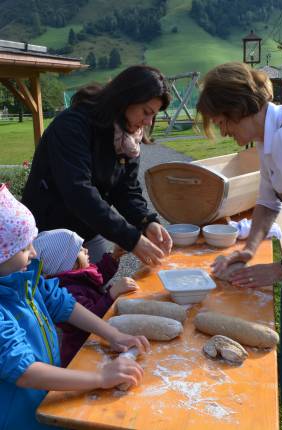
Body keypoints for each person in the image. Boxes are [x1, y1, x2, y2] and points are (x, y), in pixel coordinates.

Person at [197, 62, 282, 429]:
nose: (224, 130)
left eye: (222, 122)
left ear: (237, 109)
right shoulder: (270, 138)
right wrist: (249, 250)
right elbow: (268, 203)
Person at [0, 184, 149, 430]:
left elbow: (64, 304)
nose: (35, 252)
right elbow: (24, 371)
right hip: (19, 419)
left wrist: (114, 335)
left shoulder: (26, 282)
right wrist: (101, 377)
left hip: (47, 401)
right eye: (25, 248)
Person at [22, 65, 172, 265]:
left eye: (153, 115)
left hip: (88, 231)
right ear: (126, 98)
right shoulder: (72, 125)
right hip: (50, 236)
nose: (147, 121)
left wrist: (146, 221)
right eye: (146, 112)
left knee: (94, 289)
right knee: (57, 295)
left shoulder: (127, 138)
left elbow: (126, 189)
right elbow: (78, 191)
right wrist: (131, 239)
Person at [33, 228, 139, 367]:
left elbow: (98, 275)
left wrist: (113, 257)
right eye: (80, 250)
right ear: (68, 262)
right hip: (82, 348)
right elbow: (91, 317)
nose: (87, 250)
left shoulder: (77, 274)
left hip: (99, 337)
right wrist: (112, 294)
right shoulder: (67, 290)